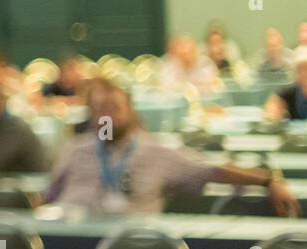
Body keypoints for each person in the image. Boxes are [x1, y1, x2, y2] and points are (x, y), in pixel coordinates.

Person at [44, 79, 298, 215]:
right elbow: (47, 196)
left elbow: (210, 170)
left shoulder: (159, 152)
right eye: (100, 110)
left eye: (114, 109)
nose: (107, 117)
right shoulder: (75, 149)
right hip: (67, 239)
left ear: (131, 112)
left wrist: (267, 181)